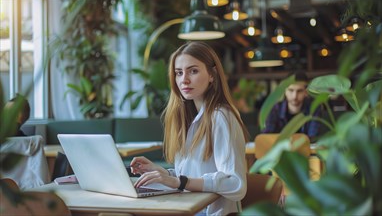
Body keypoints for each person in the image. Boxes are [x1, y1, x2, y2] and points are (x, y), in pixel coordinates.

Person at [130, 41, 249, 215]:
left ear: (212, 75)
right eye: (179, 73)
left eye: (193, 71)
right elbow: (190, 175)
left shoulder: (221, 116)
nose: (184, 80)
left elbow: (236, 184)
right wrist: (162, 173)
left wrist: (180, 181)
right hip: (186, 209)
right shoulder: (187, 118)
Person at [262, 71, 322, 140]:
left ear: (306, 92)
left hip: (304, 150)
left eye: (299, 91)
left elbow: (313, 138)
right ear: (285, 91)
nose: (294, 96)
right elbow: (266, 138)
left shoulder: (314, 108)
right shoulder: (275, 109)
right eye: (291, 90)